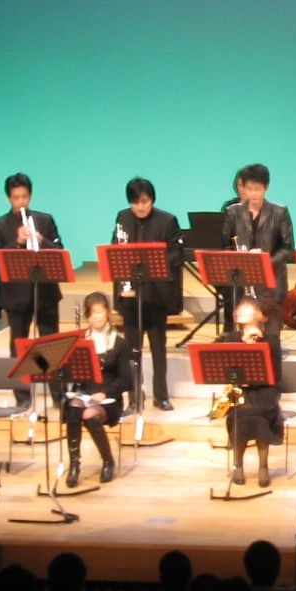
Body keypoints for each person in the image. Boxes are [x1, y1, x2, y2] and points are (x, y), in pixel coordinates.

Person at [0, 172, 64, 409]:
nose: (21, 202)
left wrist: (41, 241)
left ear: (30, 196)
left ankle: (58, 396)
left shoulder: (45, 220)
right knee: (18, 346)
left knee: (50, 345)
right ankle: (22, 397)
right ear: (8, 198)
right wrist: (18, 243)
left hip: (45, 292)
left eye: (24, 196)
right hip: (16, 296)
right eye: (16, 197)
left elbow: (60, 251)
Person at [112, 176, 184, 412]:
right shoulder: (123, 218)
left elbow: (177, 253)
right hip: (131, 297)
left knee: (158, 349)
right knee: (132, 351)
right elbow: (115, 249)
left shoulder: (167, 220)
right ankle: (134, 396)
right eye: (136, 203)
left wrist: (152, 259)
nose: (140, 207)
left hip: (157, 296)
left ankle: (161, 396)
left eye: (144, 201)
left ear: (152, 199)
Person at [62, 292, 132, 488]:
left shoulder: (119, 343)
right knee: (74, 409)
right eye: (92, 313)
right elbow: (71, 372)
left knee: (90, 415)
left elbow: (127, 380)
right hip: (85, 393)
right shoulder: (80, 341)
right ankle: (74, 465)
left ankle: (108, 461)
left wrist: (105, 393)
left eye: (99, 312)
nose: (96, 317)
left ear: (107, 312)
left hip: (109, 398)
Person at [216, 298, 285, 488]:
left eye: (249, 308)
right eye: (240, 307)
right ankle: (238, 464)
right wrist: (243, 345)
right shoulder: (229, 338)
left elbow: (276, 374)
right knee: (242, 413)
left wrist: (258, 344)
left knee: (260, 413)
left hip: (265, 391)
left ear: (263, 316)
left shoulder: (271, 341)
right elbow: (217, 362)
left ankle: (263, 466)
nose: (241, 310)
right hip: (239, 392)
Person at [220, 163, 296, 313]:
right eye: (249, 188)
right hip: (241, 283)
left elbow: (287, 249)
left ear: (266, 187)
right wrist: (241, 259)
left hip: (272, 283)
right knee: (241, 333)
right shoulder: (232, 212)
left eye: (257, 189)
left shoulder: (279, 212)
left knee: (271, 334)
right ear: (242, 187)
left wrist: (263, 262)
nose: (253, 193)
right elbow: (225, 245)